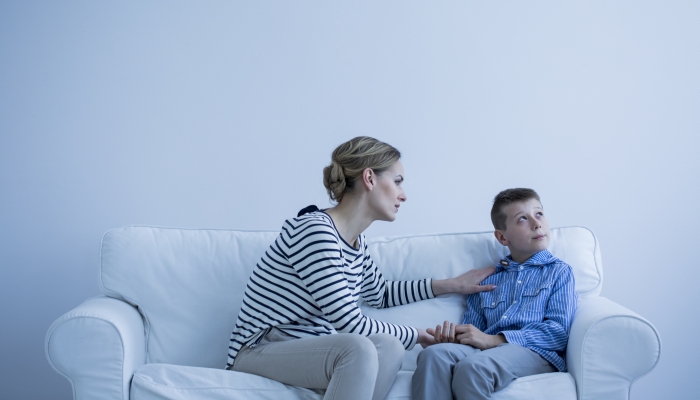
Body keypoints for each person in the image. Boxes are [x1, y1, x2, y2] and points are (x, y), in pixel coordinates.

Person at [226, 136, 496, 400]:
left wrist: (452, 285)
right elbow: (348, 323)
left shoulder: (356, 242)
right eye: (397, 181)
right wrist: (418, 335)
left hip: (309, 351)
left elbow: (380, 294)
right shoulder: (315, 231)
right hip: (259, 349)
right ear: (369, 178)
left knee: (390, 347)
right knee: (358, 349)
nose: (403, 195)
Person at [411, 188, 578, 400]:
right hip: (485, 351)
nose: (537, 224)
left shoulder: (559, 271)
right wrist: (450, 340)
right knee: (433, 356)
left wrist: (495, 340)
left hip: (534, 352)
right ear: (502, 237)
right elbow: (475, 331)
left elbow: (557, 333)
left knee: (473, 367)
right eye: (523, 219)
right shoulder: (487, 280)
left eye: (539, 214)